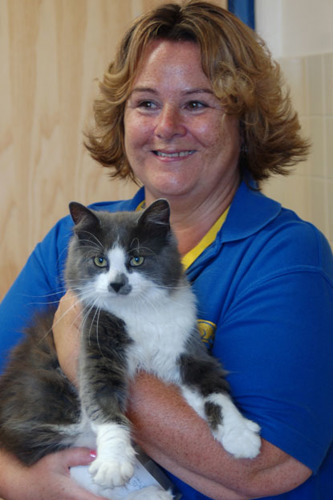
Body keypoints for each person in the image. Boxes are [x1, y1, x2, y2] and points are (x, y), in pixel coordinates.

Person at [0, 1, 332, 499]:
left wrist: (77, 348)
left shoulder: (285, 257)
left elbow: (265, 473)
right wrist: (17, 482)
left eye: (197, 104)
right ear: (123, 117)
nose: (167, 126)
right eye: (147, 103)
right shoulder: (73, 240)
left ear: (244, 123)